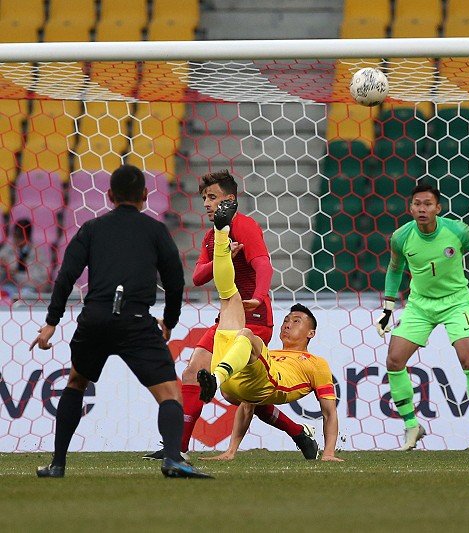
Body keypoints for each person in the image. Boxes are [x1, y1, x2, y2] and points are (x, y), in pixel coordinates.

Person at [29, 164, 210, 478]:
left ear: (110, 195)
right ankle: (172, 459)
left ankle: (57, 464)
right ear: (144, 195)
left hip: (95, 318)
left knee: (75, 382)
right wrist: (169, 321)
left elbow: (66, 276)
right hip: (135, 319)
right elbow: (175, 281)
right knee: (170, 394)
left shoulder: (91, 228)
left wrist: (51, 322)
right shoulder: (155, 230)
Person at [143, 170, 316, 461]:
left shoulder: (245, 226)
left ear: (230, 200)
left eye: (212, 197)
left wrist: (257, 298)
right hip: (226, 319)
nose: (207, 204)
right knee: (193, 373)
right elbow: (197, 277)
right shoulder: (213, 237)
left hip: (255, 319)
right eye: (204, 199)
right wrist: (223, 258)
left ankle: (298, 432)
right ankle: (179, 449)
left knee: (240, 393)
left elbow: (264, 267)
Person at [196, 198, 343, 461]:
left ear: (311, 333)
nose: (288, 323)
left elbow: (329, 411)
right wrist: (231, 451)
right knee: (228, 295)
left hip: (264, 382)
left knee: (245, 330)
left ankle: (215, 379)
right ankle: (221, 234)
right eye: (287, 319)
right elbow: (246, 406)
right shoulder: (271, 354)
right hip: (239, 381)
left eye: (297, 321)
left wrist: (329, 453)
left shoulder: (316, 363)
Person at [375, 182, 469, 451]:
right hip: (420, 304)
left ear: (438, 208)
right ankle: (411, 426)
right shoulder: (401, 237)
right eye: (417, 204)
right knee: (394, 360)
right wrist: (388, 307)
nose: (422, 209)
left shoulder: (457, 230)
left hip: (455, 303)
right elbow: (394, 269)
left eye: (428, 204)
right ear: (410, 207)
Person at [0, 218, 49, 301]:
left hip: (29, 289)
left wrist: (16, 274)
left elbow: (43, 278)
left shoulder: (37, 253)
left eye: (20, 237)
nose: (17, 240)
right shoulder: (6, 251)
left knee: (25, 295)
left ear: (28, 237)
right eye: (15, 236)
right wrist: (4, 270)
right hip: (9, 287)